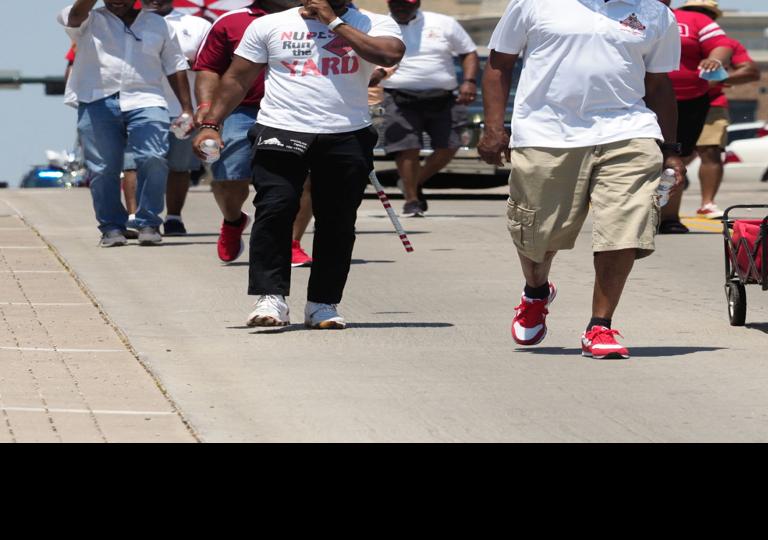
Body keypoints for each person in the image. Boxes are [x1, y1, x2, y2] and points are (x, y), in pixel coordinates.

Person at [481, 0, 682, 360]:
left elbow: (659, 84)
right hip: (546, 132)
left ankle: (600, 325)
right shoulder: (532, 4)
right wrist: (494, 127)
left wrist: (670, 149)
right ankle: (536, 291)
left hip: (628, 130)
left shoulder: (655, 12)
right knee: (537, 234)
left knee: (624, 226)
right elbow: (499, 64)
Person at [193, 0, 404, 329]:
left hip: (346, 133)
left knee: (337, 221)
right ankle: (270, 297)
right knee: (275, 207)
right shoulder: (269, 25)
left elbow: (389, 55)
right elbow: (236, 78)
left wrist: (333, 22)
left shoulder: (374, 23)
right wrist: (212, 124)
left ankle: (323, 303)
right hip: (281, 127)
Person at [193, 0, 317, 267]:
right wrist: (207, 108)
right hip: (242, 110)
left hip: (297, 112)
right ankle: (233, 219)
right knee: (229, 179)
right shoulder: (231, 21)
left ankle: (291, 243)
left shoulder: (316, 18)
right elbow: (209, 67)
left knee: (305, 180)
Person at [60, 0, 193, 247]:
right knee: (102, 168)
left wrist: (187, 108)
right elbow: (75, 15)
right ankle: (111, 226)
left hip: (147, 99)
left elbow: (175, 65)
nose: (117, 1)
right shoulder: (89, 18)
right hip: (97, 99)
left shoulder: (158, 24)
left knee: (154, 157)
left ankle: (148, 221)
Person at [378, 0, 479, 217]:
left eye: (407, 4)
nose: (402, 7)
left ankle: (412, 182)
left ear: (418, 3)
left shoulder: (443, 23)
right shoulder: (379, 25)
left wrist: (469, 81)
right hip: (398, 96)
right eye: (397, 4)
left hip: (443, 96)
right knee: (408, 147)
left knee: (451, 144)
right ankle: (412, 200)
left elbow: (468, 52)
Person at [657, 0, 732, 234]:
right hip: (641, 97)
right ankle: (636, 217)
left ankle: (669, 218)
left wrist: (716, 59)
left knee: (676, 156)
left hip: (690, 102)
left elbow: (722, 44)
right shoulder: (625, 15)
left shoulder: (694, 20)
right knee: (644, 156)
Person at [147, 0, 212, 236]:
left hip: (184, 111)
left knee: (179, 167)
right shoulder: (130, 24)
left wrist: (189, 63)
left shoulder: (197, 25)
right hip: (141, 107)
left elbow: (212, 63)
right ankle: (142, 217)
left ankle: (173, 217)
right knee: (142, 164)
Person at [691, 26, 758, 217]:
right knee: (673, 155)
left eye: (706, 13)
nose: (701, 17)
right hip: (670, 102)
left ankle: (707, 203)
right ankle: (665, 209)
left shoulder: (727, 45)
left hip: (710, 103)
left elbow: (751, 71)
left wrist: (718, 78)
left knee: (711, 151)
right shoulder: (668, 35)